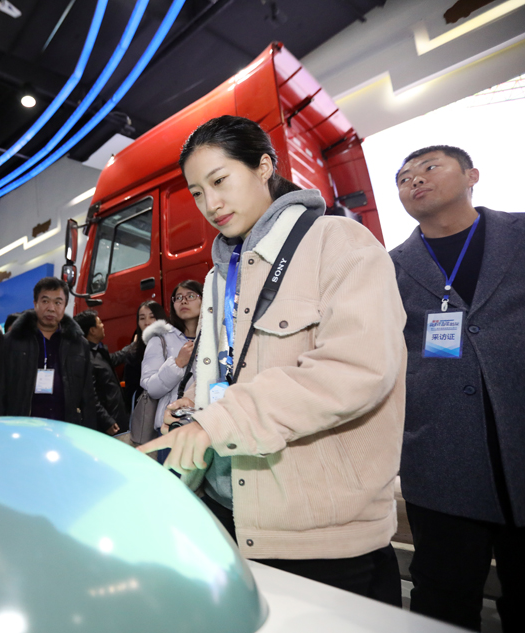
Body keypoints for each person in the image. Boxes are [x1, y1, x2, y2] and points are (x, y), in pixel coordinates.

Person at [140, 115, 406, 606]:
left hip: (319, 531)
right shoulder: (218, 276)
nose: (211, 204)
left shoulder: (338, 242)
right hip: (230, 511)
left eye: (220, 181)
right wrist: (196, 405)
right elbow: (233, 366)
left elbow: (356, 370)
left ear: (263, 167)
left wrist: (218, 423)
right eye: (197, 193)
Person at [390, 145, 525, 631]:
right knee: (443, 597)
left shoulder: (519, 233)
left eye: (430, 167)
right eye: (404, 177)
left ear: (472, 175)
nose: (415, 179)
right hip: (440, 452)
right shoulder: (390, 266)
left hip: (519, 439)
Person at [0, 278, 100, 431]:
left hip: (65, 429)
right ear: (35, 304)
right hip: (21, 428)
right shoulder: (12, 342)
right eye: (45, 301)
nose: (51, 308)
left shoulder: (79, 344)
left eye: (58, 302)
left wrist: (88, 433)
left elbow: (88, 396)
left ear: (65, 306)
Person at [139, 282, 201, 448]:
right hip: (172, 426)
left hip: (208, 426)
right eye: (178, 298)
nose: (184, 301)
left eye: (191, 296)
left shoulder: (217, 338)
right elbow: (151, 388)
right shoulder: (161, 339)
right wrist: (178, 363)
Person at [74, 310, 128, 435]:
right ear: (92, 330)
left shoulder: (99, 351)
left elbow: (115, 358)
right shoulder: (86, 358)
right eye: (100, 323)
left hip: (117, 418)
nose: (103, 325)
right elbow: (90, 396)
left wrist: (133, 346)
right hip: (107, 426)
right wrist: (106, 421)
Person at [122, 300, 169, 411]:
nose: (147, 322)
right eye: (142, 318)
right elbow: (130, 391)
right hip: (147, 409)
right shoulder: (133, 353)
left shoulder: (173, 344)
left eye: (152, 317)